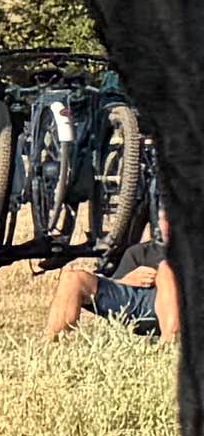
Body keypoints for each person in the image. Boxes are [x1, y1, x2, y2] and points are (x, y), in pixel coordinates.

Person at [47, 131, 167, 339]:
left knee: (168, 272)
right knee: (71, 278)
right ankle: (54, 344)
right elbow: (117, 285)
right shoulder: (140, 253)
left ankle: (170, 342)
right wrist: (128, 280)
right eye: (166, 217)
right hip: (141, 307)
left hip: (179, 309)